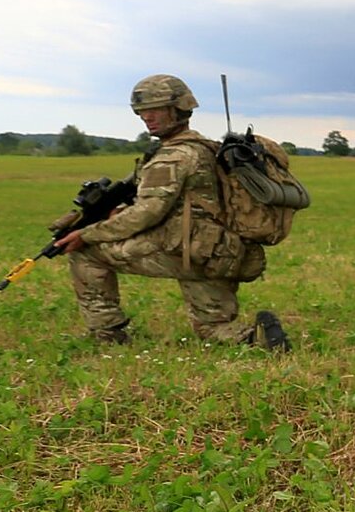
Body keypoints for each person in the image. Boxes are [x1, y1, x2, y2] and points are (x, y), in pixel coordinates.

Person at [55, 74, 289, 351]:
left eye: (155, 109)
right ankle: (260, 340)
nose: (146, 117)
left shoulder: (173, 156)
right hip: (221, 252)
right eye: (142, 111)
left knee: (86, 254)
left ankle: (108, 334)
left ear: (178, 109)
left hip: (186, 251)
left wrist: (86, 234)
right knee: (212, 328)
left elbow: (147, 213)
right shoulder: (207, 148)